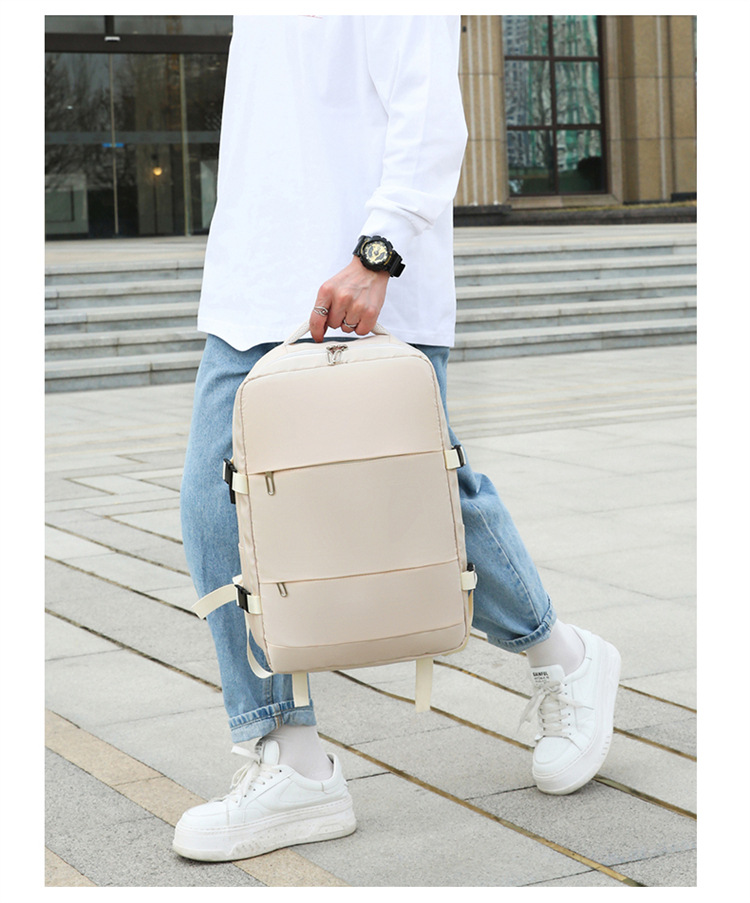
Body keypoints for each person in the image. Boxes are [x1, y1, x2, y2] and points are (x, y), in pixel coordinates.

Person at [174, 15, 620, 863]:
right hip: (252, 285)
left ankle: (562, 654)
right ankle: (292, 758)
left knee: (417, 508)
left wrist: (379, 252)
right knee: (214, 506)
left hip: (362, 284)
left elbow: (429, 112)